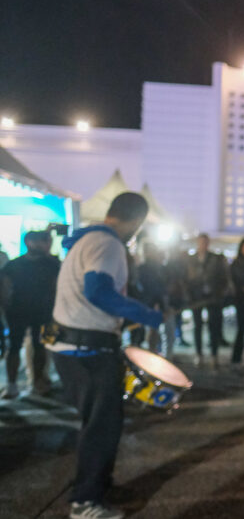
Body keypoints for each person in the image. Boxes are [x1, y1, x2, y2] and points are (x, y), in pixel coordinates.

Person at [48, 192, 163, 519]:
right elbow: (98, 291)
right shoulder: (108, 244)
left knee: (101, 423)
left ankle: (98, 487)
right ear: (136, 221)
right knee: (102, 426)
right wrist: (145, 314)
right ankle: (85, 502)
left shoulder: (89, 239)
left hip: (76, 347)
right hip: (88, 350)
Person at [1, 231, 60, 398]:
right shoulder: (15, 264)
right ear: (28, 242)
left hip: (45, 312)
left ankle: (38, 382)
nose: (43, 245)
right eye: (40, 241)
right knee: (15, 347)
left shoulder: (52, 263)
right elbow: (4, 287)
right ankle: (14, 385)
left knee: (43, 347)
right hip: (19, 312)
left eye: (45, 241)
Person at [186, 234, 230, 365]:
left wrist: (220, 292)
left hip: (213, 297)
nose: (203, 245)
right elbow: (187, 278)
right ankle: (199, 353)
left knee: (214, 326)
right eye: (201, 242)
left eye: (205, 242)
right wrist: (189, 294)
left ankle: (214, 354)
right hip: (197, 296)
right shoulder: (191, 259)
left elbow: (224, 277)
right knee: (197, 325)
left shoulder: (216, 258)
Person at [136, 242, 169, 355]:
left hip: (145, 302)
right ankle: (149, 352)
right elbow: (158, 287)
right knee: (150, 330)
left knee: (144, 331)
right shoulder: (154, 268)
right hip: (149, 302)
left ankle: (146, 352)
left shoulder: (145, 268)